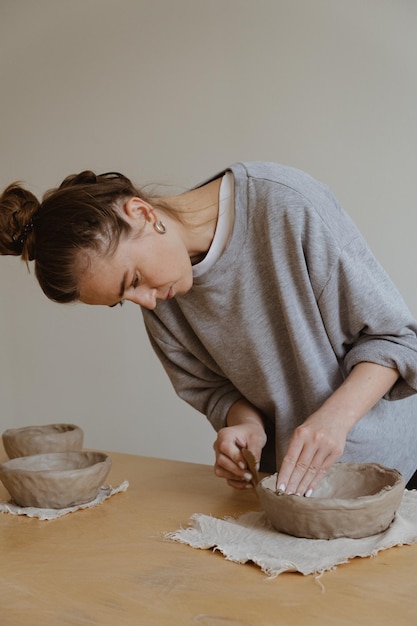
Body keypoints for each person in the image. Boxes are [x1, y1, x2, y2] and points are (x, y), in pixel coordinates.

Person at [1, 162, 417, 495]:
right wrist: (246, 426)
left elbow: (398, 339)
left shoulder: (286, 204)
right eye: (122, 301)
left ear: (141, 212)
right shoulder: (161, 300)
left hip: (399, 476)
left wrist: (332, 421)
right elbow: (214, 390)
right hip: (293, 494)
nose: (144, 302)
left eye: (133, 281)